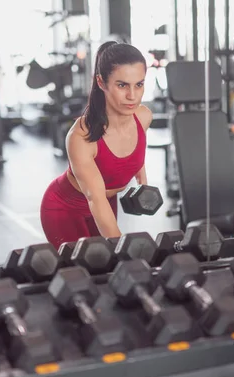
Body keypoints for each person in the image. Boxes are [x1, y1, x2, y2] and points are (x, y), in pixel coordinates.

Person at [40, 41, 153, 249]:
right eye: (122, 85)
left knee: (107, 270)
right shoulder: (81, 136)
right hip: (66, 209)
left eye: (139, 84)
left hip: (108, 203)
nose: (132, 96)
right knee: (81, 272)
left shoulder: (144, 117)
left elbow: (135, 151)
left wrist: (142, 182)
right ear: (101, 83)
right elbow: (95, 199)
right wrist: (124, 250)